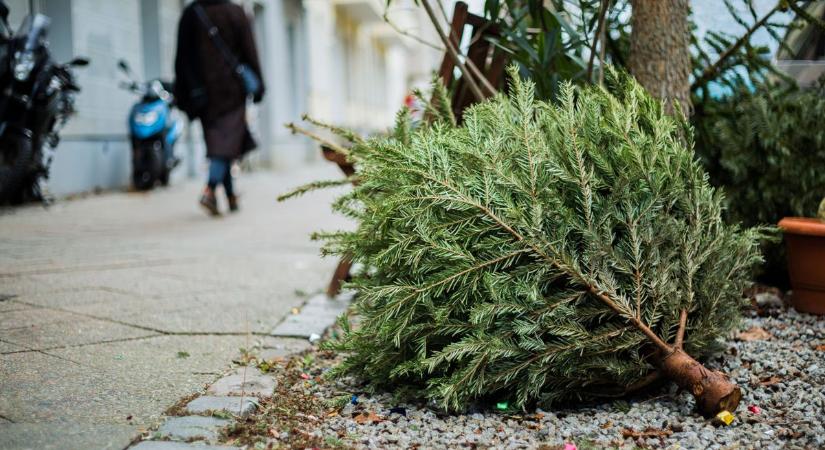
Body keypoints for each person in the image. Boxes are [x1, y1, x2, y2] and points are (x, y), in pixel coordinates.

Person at [174, 0, 265, 216]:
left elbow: (181, 58)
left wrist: (185, 91)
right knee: (224, 146)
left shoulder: (191, 13)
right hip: (232, 92)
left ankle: (231, 196)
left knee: (220, 144)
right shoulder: (236, 13)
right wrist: (259, 84)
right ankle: (210, 189)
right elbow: (250, 51)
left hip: (203, 94)